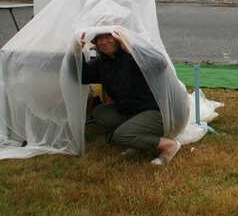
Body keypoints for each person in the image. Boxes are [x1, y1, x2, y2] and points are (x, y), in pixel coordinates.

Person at [78, 30, 182, 165]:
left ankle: (169, 145)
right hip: (135, 110)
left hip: (161, 111)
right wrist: (77, 52)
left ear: (119, 39)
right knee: (101, 113)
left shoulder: (132, 55)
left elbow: (160, 64)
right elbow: (84, 76)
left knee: (122, 135)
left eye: (108, 37)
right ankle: (140, 141)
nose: (104, 42)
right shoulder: (103, 62)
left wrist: (132, 50)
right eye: (99, 39)